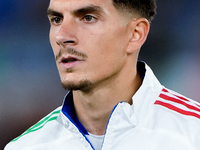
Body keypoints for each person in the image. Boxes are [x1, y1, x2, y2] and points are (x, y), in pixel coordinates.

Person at [4, 0, 200, 149]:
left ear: (135, 34)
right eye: (56, 19)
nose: (62, 36)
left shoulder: (193, 133)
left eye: (88, 18)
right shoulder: (27, 146)